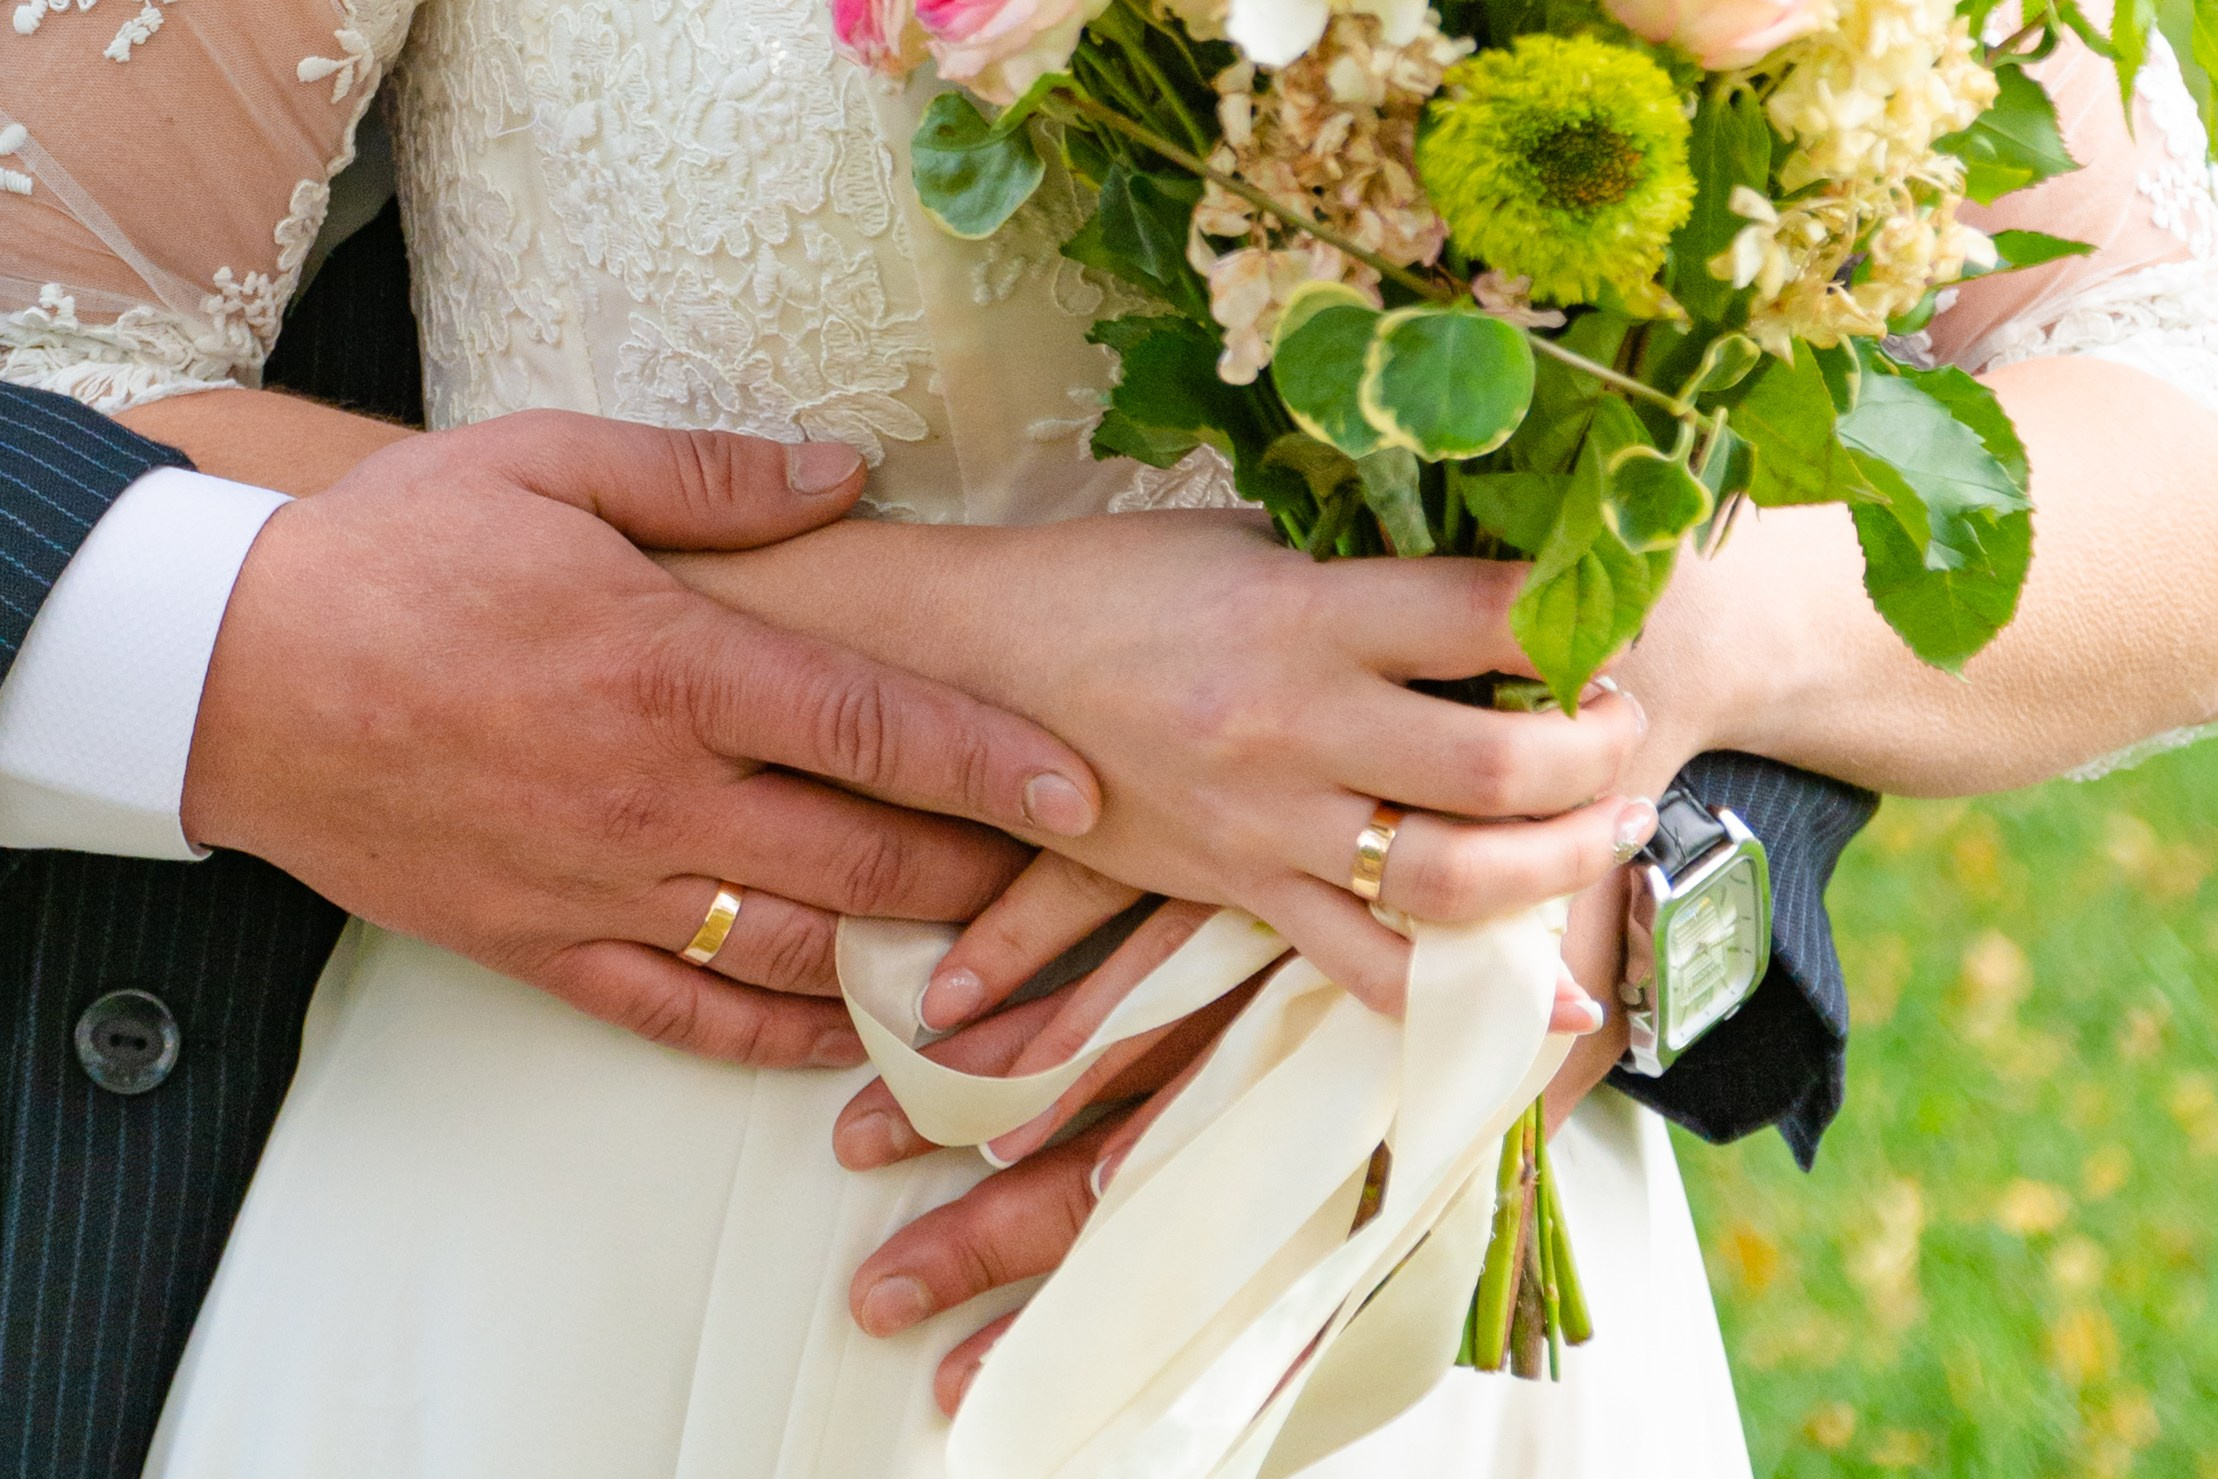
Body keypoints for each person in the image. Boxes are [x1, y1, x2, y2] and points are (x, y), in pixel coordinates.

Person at [4, 4, 2215, 1479]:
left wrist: (1601, 668)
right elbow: (62, 377)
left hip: (1395, 1211)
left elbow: (2161, 388)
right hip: (602, 1179)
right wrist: (959, 655)